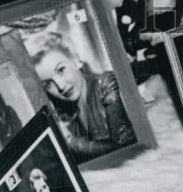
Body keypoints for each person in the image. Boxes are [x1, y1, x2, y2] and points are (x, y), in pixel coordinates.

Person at [28, 32, 137, 161]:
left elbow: (124, 147)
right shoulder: (66, 116)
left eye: (61, 70)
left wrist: (69, 141)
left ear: (75, 59)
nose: (60, 86)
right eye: (48, 84)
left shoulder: (106, 82)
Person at [97, 0, 157, 88]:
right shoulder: (93, 21)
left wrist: (146, 37)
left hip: (141, 73)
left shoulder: (131, 7)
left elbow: (141, 36)